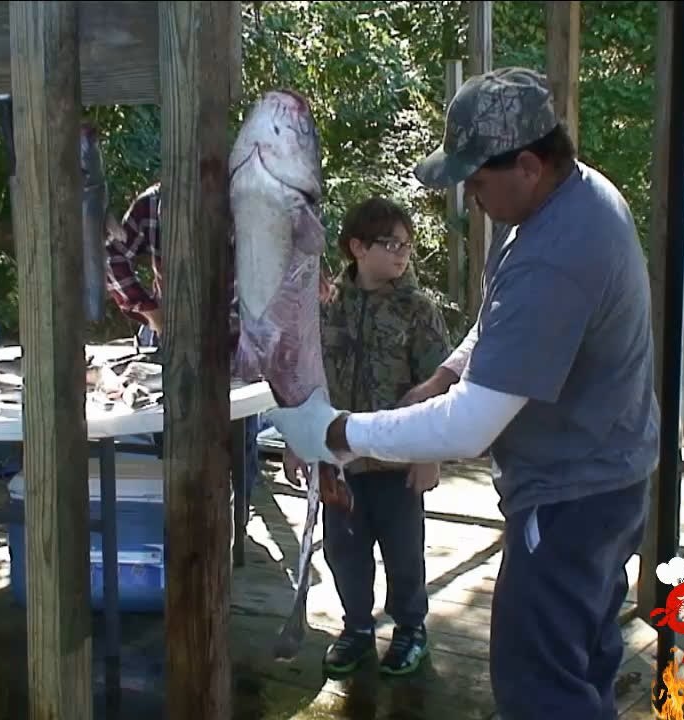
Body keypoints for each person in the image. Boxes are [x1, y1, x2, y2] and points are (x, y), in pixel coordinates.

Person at [265, 67, 660, 719]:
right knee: (581, 663)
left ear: (528, 165)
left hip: (574, 496)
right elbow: (501, 319)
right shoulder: (555, 201)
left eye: (476, 180)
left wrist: (337, 432)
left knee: (539, 685)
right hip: (604, 477)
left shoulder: (561, 250)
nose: (470, 196)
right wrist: (446, 372)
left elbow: (471, 426)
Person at [283, 197, 452, 678]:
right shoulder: (323, 305)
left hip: (398, 463)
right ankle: (356, 627)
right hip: (338, 462)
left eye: (407, 245)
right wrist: (297, 441)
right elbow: (302, 379)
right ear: (357, 247)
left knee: (404, 553)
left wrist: (430, 454)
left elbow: (440, 385)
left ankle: (410, 629)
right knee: (344, 551)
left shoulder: (418, 310)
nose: (402, 254)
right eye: (390, 244)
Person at [104, 182, 261, 493]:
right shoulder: (153, 202)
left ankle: (237, 514)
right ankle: (175, 513)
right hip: (172, 342)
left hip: (237, 342)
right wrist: (151, 312)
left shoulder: (250, 198)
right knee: (174, 449)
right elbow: (112, 257)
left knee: (237, 449)